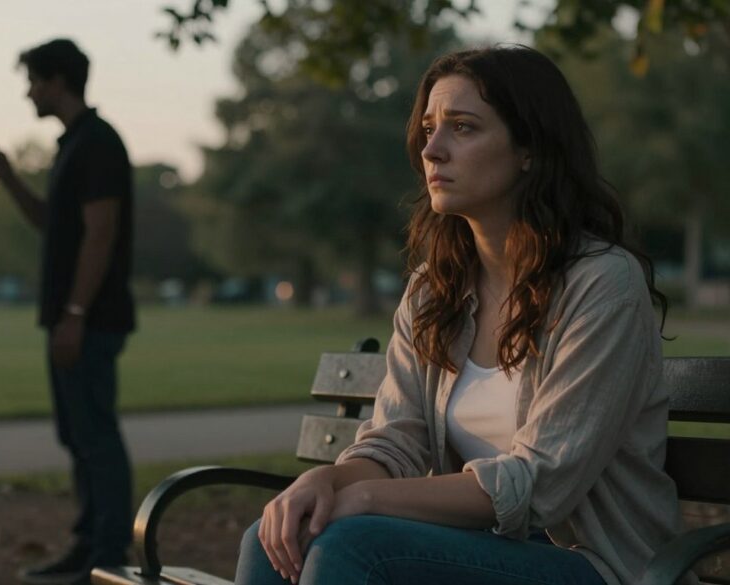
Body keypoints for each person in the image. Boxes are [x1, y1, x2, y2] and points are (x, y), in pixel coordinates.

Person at [235, 45, 687, 585]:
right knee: (273, 536)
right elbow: (396, 441)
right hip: (481, 550)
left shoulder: (602, 284)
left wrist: (365, 498)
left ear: (529, 149)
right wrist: (327, 484)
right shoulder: (434, 290)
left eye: (463, 128)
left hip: (596, 564)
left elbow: (540, 482)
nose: (432, 150)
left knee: (351, 545)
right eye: (428, 129)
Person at [0, 38, 136, 585]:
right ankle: (87, 542)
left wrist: (74, 313)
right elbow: (57, 224)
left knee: (95, 435)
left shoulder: (97, 142)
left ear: (56, 82)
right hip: (72, 319)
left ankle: (108, 552)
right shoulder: (74, 143)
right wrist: (8, 179)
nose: (28, 93)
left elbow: (100, 232)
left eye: (33, 82)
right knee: (77, 434)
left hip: (89, 319)